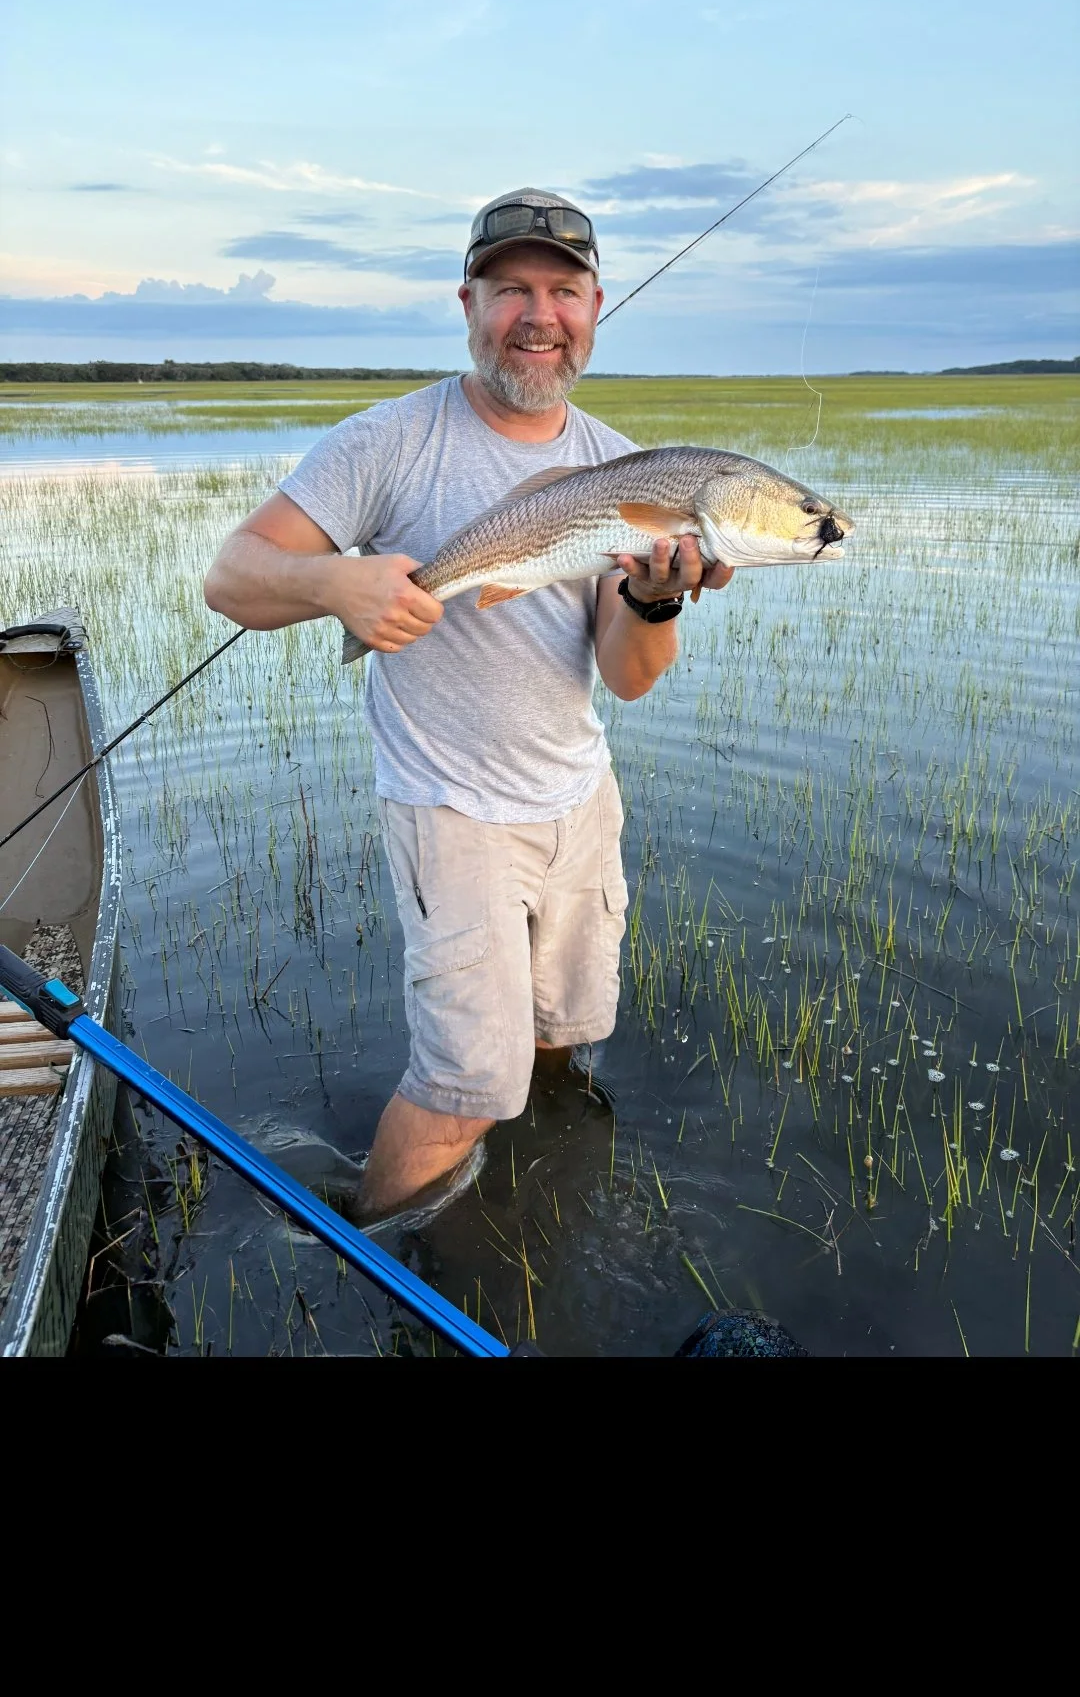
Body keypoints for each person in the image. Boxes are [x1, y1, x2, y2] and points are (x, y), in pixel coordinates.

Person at [203, 188, 733, 1219]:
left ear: (596, 307)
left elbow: (625, 676)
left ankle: (523, 1211)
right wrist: (333, 586)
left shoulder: (624, 467)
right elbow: (232, 577)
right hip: (451, 814)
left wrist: (656, 600)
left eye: (564, 291)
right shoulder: (388, 442)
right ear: (468, 304)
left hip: (579, 804)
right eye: (512, 291)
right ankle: (377, 1272)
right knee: (460, 1093)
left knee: (558, 1035)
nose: (539, 316)